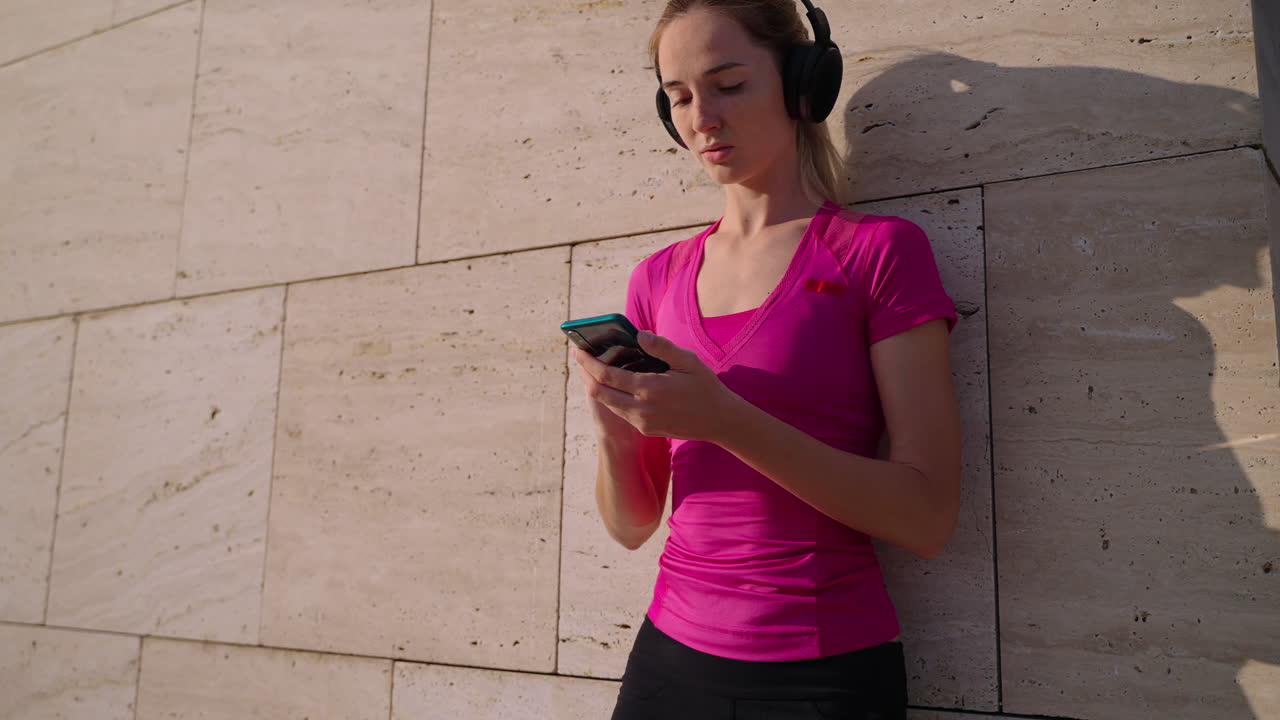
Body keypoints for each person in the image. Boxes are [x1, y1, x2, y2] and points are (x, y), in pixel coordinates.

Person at [570, 1, 963, 717]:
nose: (701, 118)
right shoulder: (656, 279)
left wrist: (724, 419)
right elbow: (632, 526)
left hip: (821, 673)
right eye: (680, 97)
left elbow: (927, 516)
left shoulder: (877, 253)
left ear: (801, 85)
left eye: (729, 84)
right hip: (666, 662)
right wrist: (612, 427)